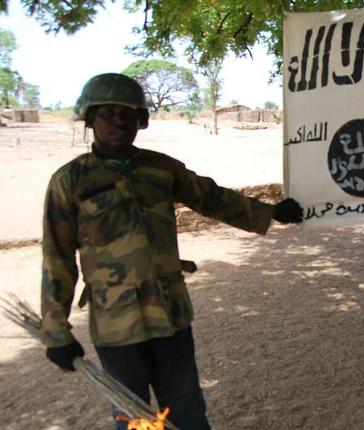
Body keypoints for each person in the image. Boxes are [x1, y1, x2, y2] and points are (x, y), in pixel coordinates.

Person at [39, 73, 303, 429]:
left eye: (128, 114)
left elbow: (210, 197)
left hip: (171, 318)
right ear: (90, 119)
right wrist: (56, 332)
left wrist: (269, 212)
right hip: (117, 326)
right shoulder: (69, 181)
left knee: (188, 412)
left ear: (141, 121)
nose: (119, 121)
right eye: (108, 114)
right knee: (133, 419)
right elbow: (57, 259)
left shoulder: (159, 168)